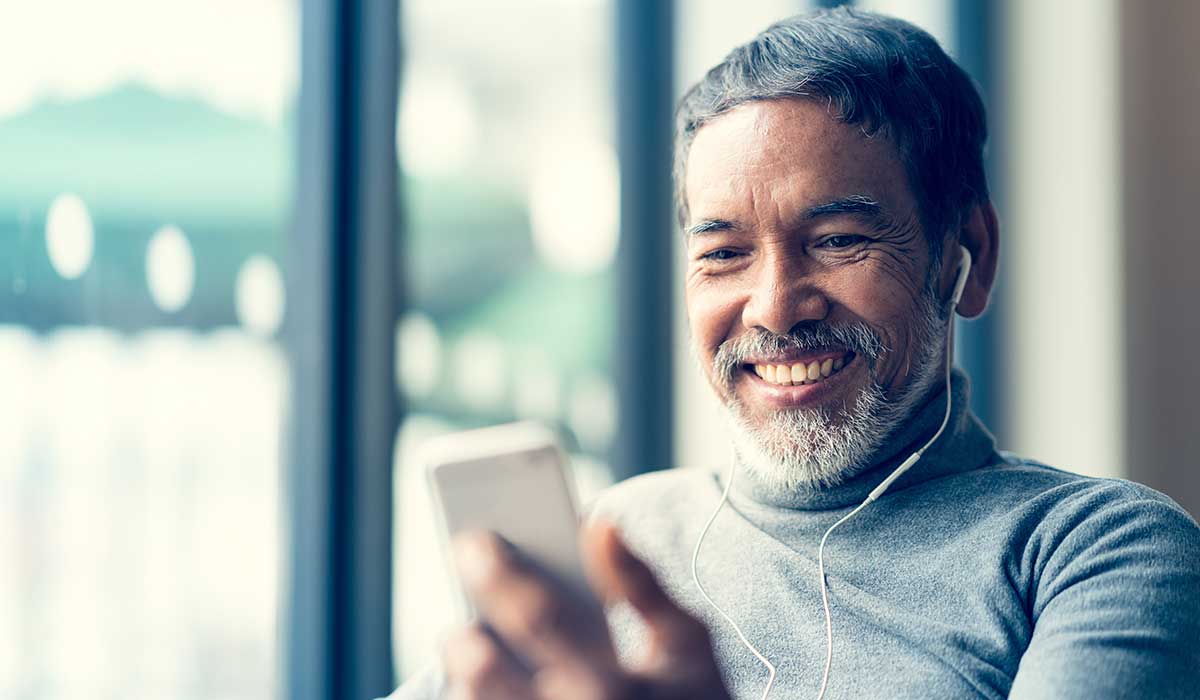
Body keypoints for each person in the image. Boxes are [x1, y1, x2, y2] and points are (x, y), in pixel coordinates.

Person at [388, 8, 1200, 699]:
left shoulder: (1095, 550)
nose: (775, 306)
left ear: (969, 257)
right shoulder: (618, 539)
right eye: (723, 254)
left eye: (839, 239)